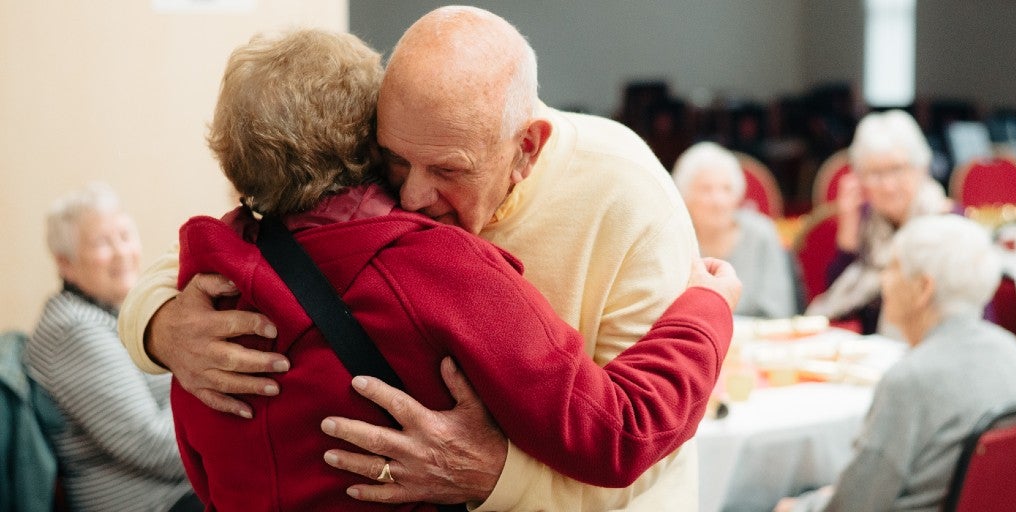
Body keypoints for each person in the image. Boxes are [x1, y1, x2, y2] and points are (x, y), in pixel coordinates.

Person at [119, 6, 714, 510]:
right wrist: (159, 327)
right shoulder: (392, 174)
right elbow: (193, 258)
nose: (409, 197)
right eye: (393, 163)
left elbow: (640, 457)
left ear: (526, 149)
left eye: (448, 171)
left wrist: (497, 477)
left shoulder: (627, 193)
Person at [776, 215, 1016, 512]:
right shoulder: (1006, 347)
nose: (883, 281)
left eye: (892, 268)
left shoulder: (911, 379)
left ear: (922, 288)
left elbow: (855, 505)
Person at [25, 183, 200, 512]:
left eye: (124, 235)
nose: (122, 251)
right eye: (103, 243)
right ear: (65, 263)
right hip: (157, 503)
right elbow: (152, 445)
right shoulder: (72, 328)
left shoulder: (117, 311)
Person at [806, 110, 953, 334]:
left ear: (921, 168)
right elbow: (839, 296)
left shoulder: (948, 222)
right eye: (875, 173)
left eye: (897, 169)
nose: (888, 186)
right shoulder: (864, 217)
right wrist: (848, 236)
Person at [672, 141, 800, 318]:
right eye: (706, 189)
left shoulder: (762, 233)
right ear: (685, 196)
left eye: (726, 189)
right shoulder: (675, 240)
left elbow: (780, 311)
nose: (718, 201)